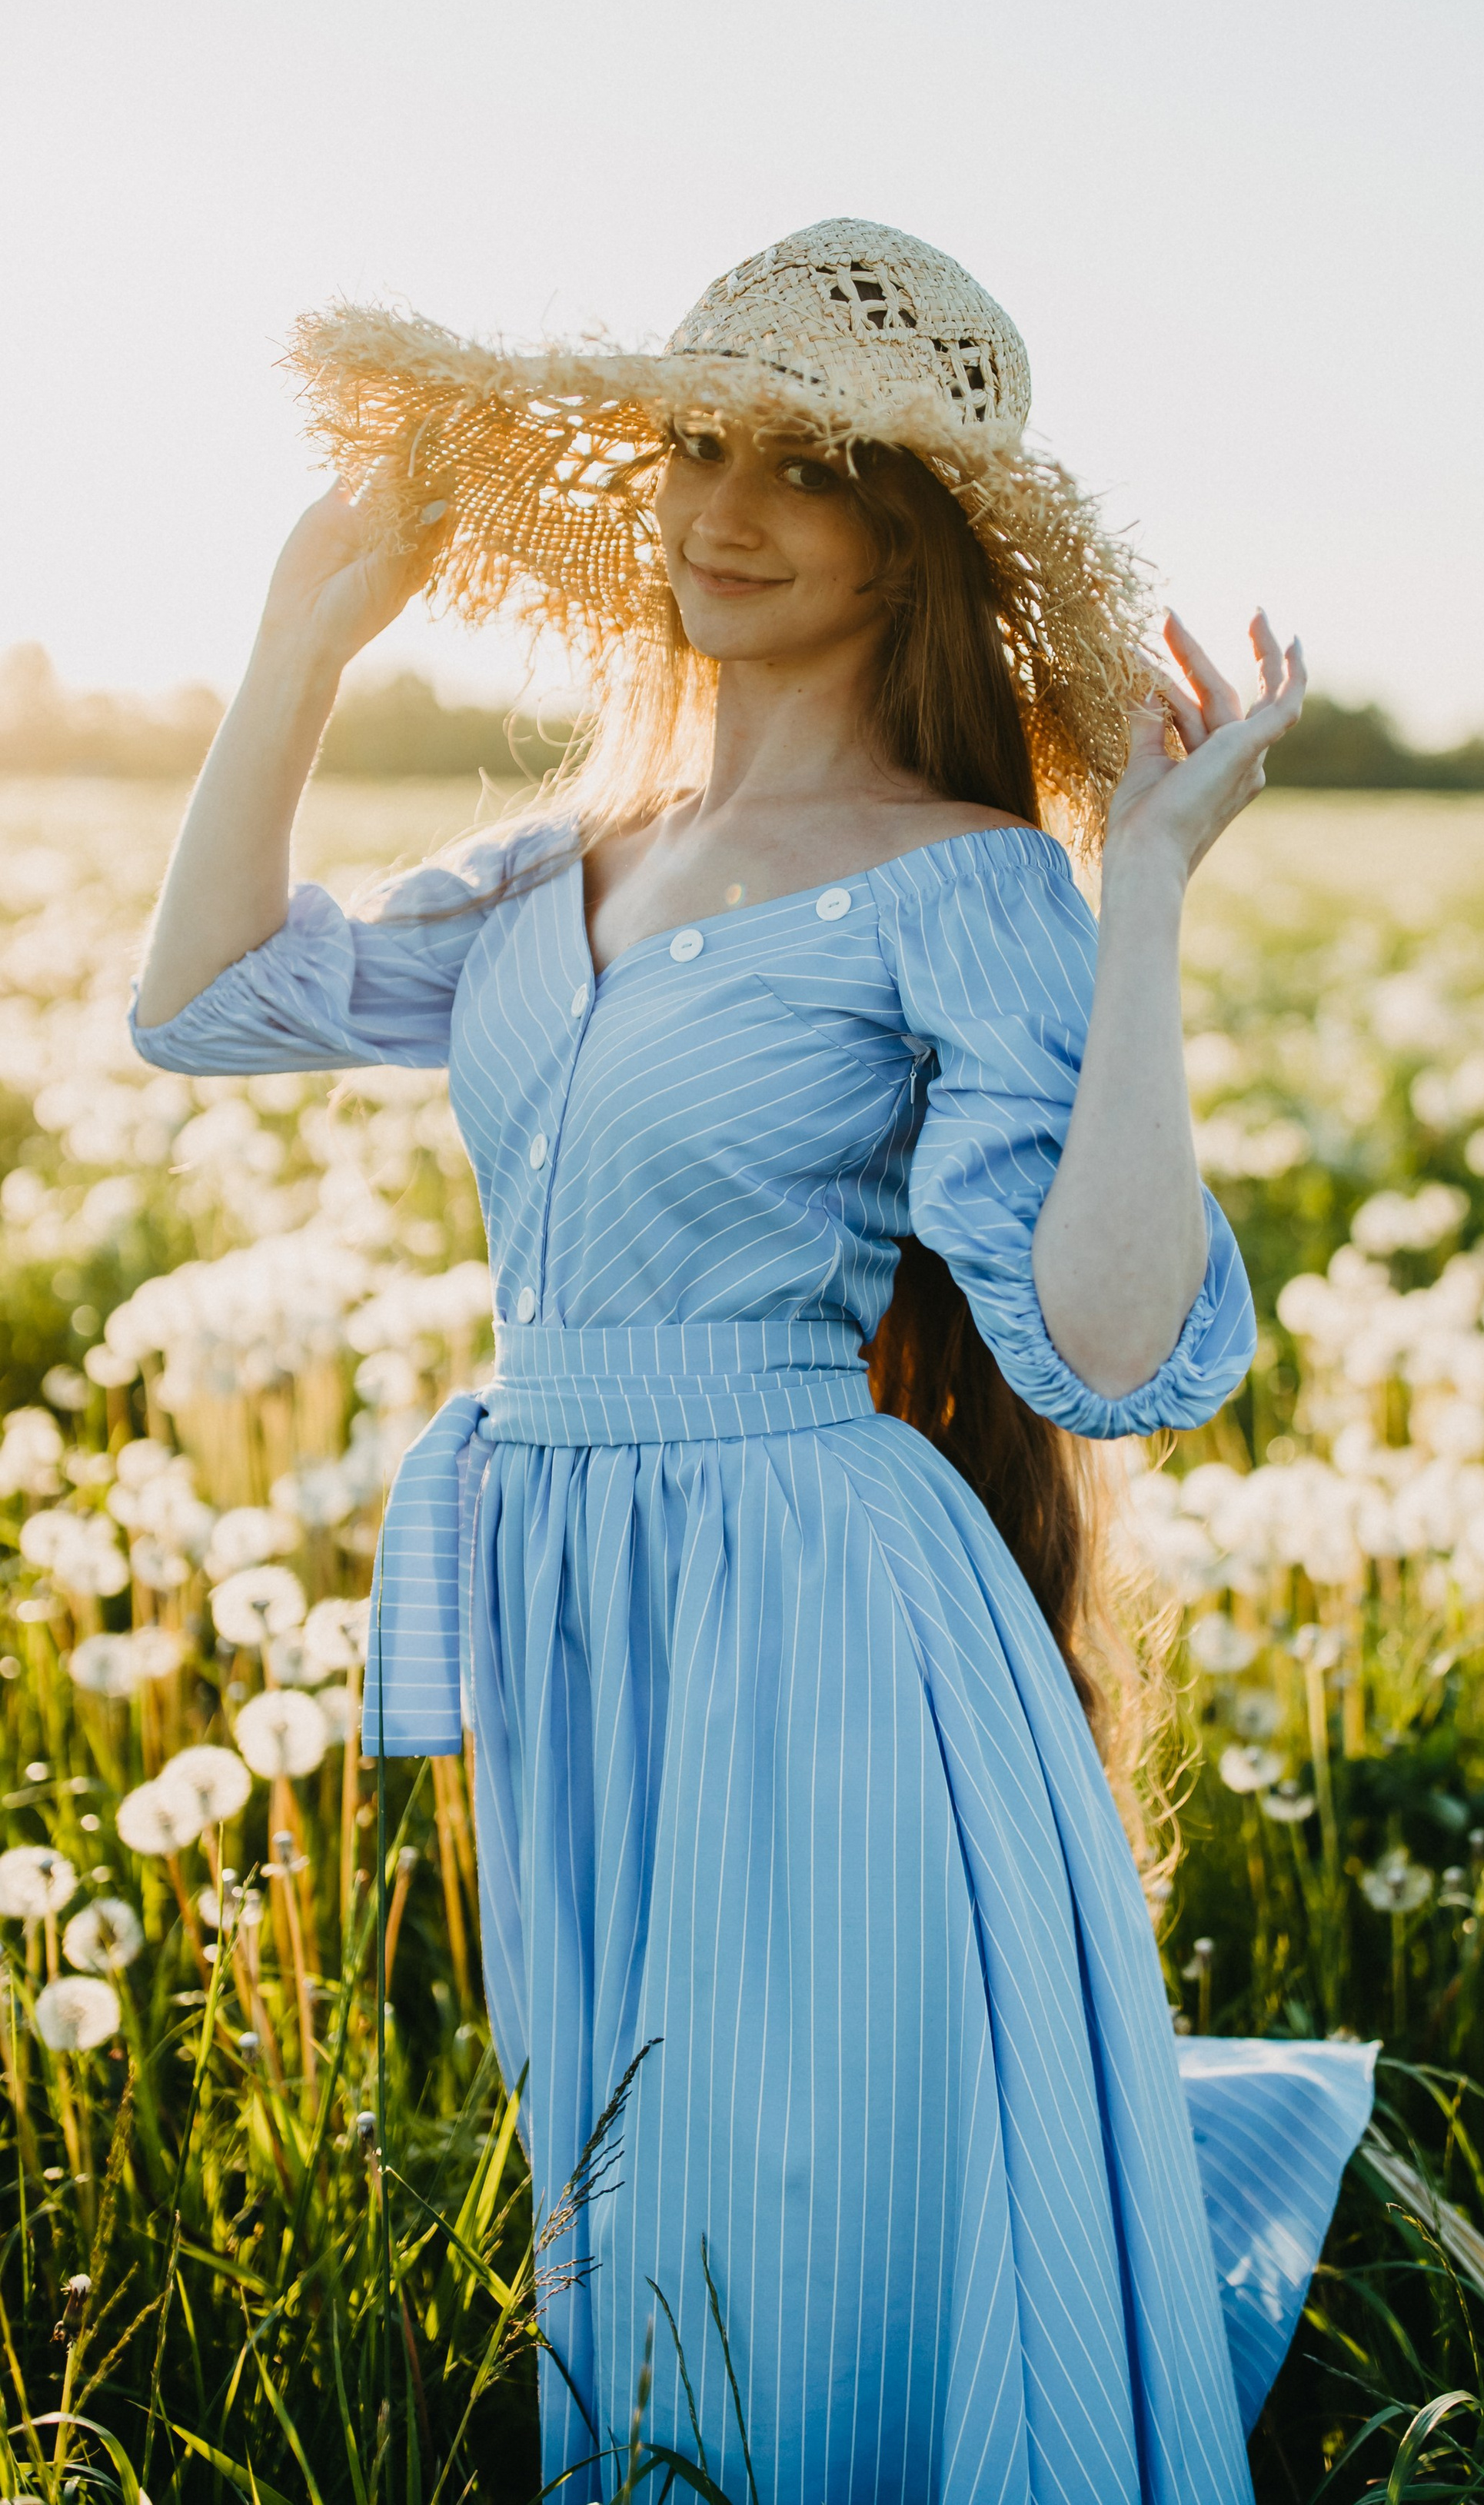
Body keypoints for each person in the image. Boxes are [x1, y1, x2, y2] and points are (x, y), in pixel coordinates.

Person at [133, 221, 1373, 2503]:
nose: (721, 506)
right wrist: (305, 638)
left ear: (917, 544)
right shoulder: (553, 870)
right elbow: (202, 1004)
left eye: (803, 468)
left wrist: (1152, 898)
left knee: (804, 2207)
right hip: (579, 1612)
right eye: (699, 445)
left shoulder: (970, 882)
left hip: (824, 1613)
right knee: (636, 2229)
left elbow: (1102, 1353)